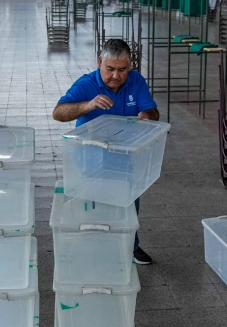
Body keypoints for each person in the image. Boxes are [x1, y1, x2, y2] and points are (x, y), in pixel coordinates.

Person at [52, 39, 160, 265]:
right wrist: (87, 105)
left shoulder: (136, 81)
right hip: (90, 158)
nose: (116, 76)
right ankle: (91, 249)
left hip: (125, 157)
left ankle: (131, 246)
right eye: (110, 69)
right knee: (92, 206)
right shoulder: (86, 84)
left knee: (128, 203)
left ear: (130, 66)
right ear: (100, 62)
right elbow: (58, 113)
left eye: (122, 70)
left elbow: (151, 110)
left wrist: (146, 117)